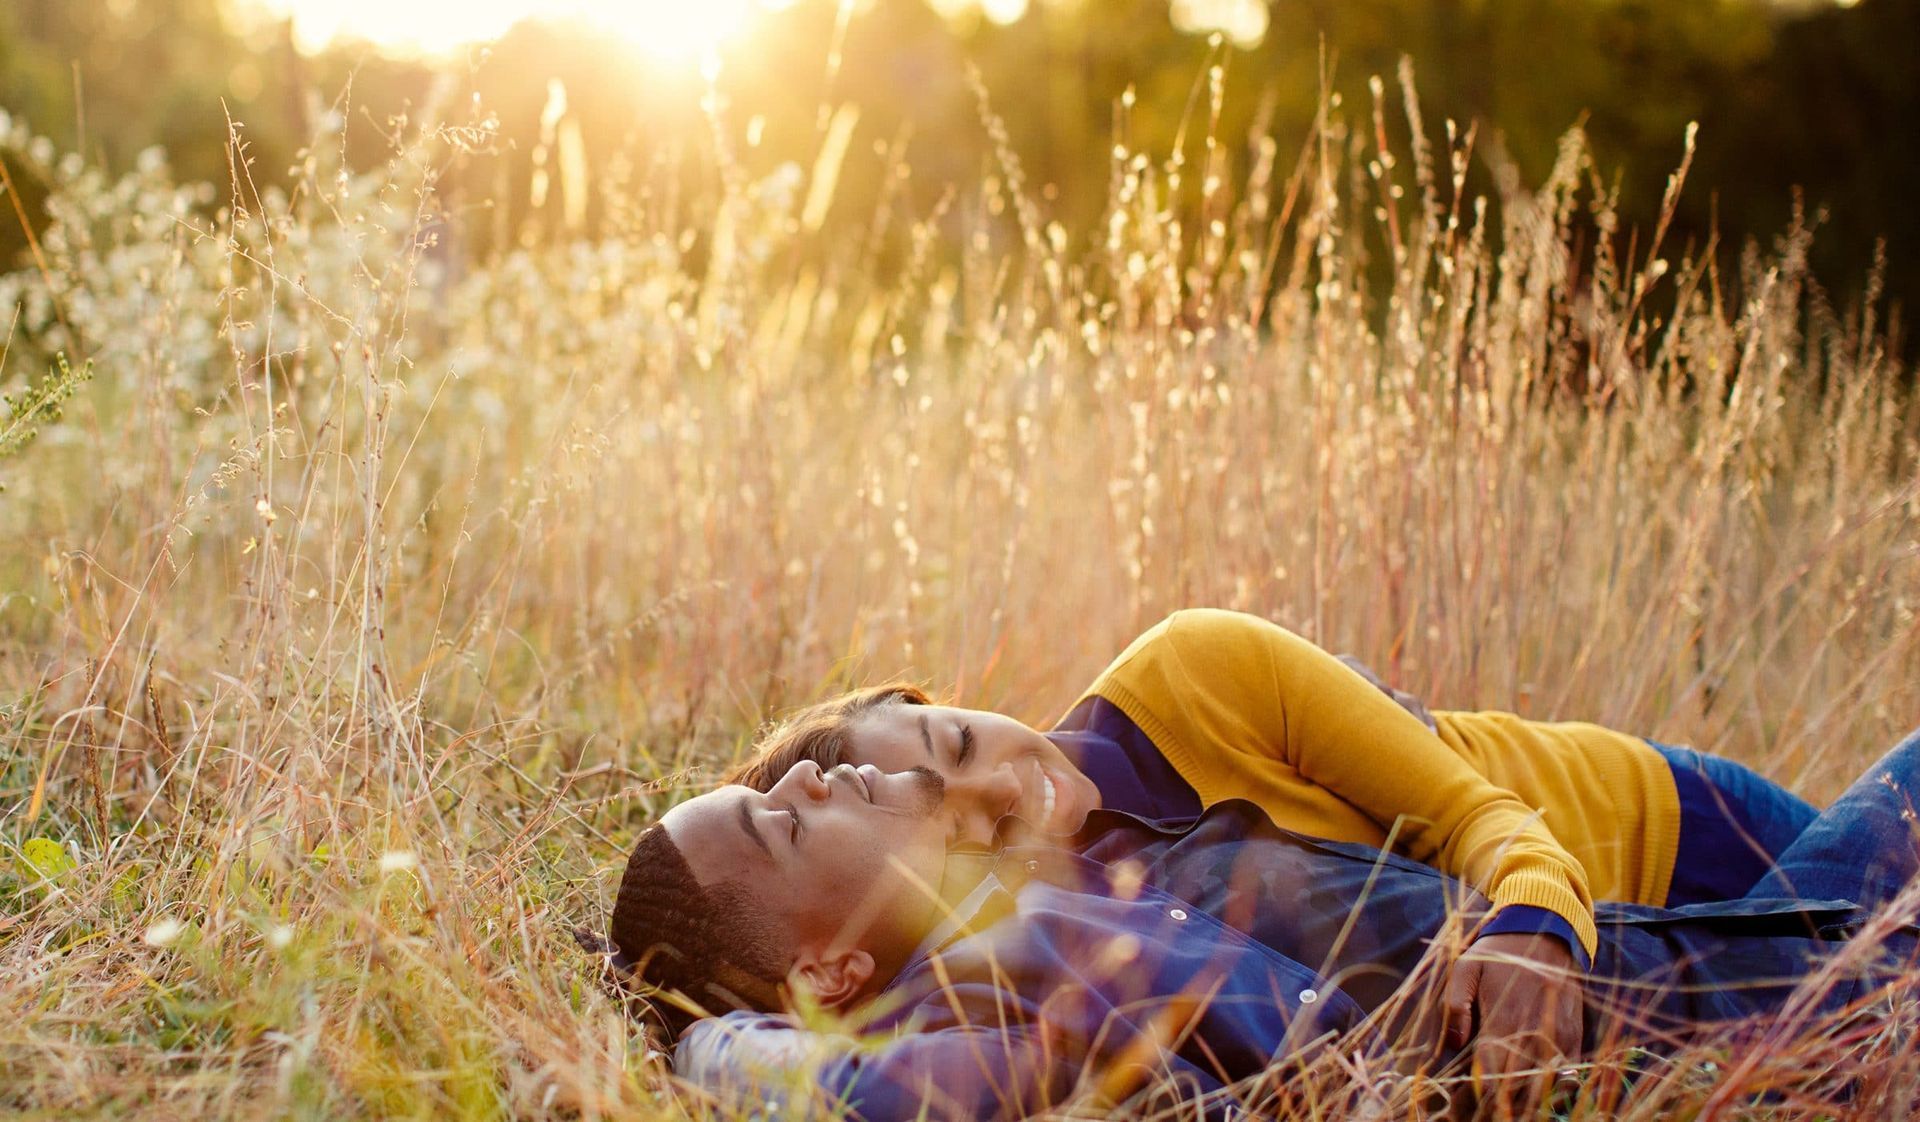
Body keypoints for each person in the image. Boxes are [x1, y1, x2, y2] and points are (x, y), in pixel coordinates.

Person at [604, 728, 1920, 1121]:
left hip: (1698, 946)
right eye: (781, 821)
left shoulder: (1056, 891)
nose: (813, 784)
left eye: (787, 779)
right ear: (827, 964)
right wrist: (734, 1052)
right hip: (1742, 1011)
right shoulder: (965, 993)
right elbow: (941, 1091)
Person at [723, 609, 1821, 1073]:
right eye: (951, 828)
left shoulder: (1190, 671)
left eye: (960, 740)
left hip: (1672, 836)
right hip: (1658, 970)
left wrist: (1530, 924)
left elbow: (1479, 817)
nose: (1001, 790)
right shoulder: (1066, 945)